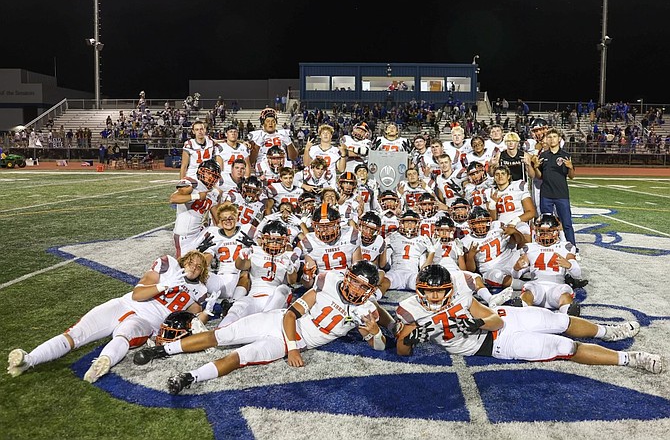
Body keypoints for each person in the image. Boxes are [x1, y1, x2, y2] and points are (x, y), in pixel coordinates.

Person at [132, 261, 386, 394]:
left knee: (241, 356)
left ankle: (190, 377)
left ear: (371, 291)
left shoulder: (366, 310)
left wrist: (375, 332)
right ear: (346, 278)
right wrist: (294, 349)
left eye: (364, 288)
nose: (356, 289)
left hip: (287, 342)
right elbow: (290, 315)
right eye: (354, 283)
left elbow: (378, 346)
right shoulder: (329, 282)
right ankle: (163, 351)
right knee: (222, 335)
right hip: (279, 324)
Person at [395, 264, 662, 374]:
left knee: (560, 321)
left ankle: (607, 332)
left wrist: (472, 323)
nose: (433, 296)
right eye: (428, 291)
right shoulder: (411, 309)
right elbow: (402, 350)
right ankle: (630, 359)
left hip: (506, 320)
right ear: (418, 290)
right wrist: (410, 337)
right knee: (564, 347)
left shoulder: (460, 297)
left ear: (449, 289)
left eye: (439, 290)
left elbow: (494, 321)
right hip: (497, 346)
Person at [7, 251, 210, 383]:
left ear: (202, 272)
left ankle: (102, 364)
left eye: (199, 266)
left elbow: (193, 322)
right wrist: (165, 285)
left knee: (124, 334)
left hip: (146, 322)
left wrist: (207, 312)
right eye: (191, 262)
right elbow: (137, 295)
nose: (193, 266)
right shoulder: (168, 267)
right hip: (123, 304)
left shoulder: (199, 292)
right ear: (184, 261)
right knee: (75, 333)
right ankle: (28, 359)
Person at [531, 128, 578, 252]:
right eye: (549, 137)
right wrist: (536, 168)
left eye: (554, 137)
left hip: (561, 194)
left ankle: (572, 248)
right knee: (546, 223)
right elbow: (539, 176)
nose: (552, 139)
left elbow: (572, 176)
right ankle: (547, 246)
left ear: (559, 139)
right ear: (546, 139)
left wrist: (571, 167)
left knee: (566, 223)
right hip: (546, 194)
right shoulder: (543, 155)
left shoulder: (566, 155)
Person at [170, 160, 223, 257]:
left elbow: (218, 221)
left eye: (214, 176)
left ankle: (216, 260)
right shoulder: (192, 183)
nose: (211, 177)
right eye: (209, 174)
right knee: (183, 267)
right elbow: (173, 198)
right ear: (201, 171)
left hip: (198, 232)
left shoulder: (213, 193)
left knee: (218, 232)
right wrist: (197, 196)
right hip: (184, 235)